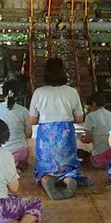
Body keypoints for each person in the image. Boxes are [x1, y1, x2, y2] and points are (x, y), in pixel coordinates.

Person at [29, 56, 91, 200]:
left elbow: (32, 120)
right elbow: (79, 118)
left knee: (45, 169)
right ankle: (70, 181)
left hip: (46, 133)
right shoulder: (71, 92)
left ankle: (47, 181)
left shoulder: (39, 92)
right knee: (68, 167)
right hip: (65, 132)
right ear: (64, 72)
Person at [0, 79, 32, 169]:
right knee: (21, 156)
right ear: (18, 94)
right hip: (21, 152)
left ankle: (7, 165)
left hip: (0, 152)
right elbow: (28, 134)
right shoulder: (23, 111)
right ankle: (16, 165)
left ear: (3, 93)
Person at [80, 92, 111, 169]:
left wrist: (82, 138)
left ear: (93, 104)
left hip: (99, 158)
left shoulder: (90, 116)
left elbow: (88, 139)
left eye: (89, 107)